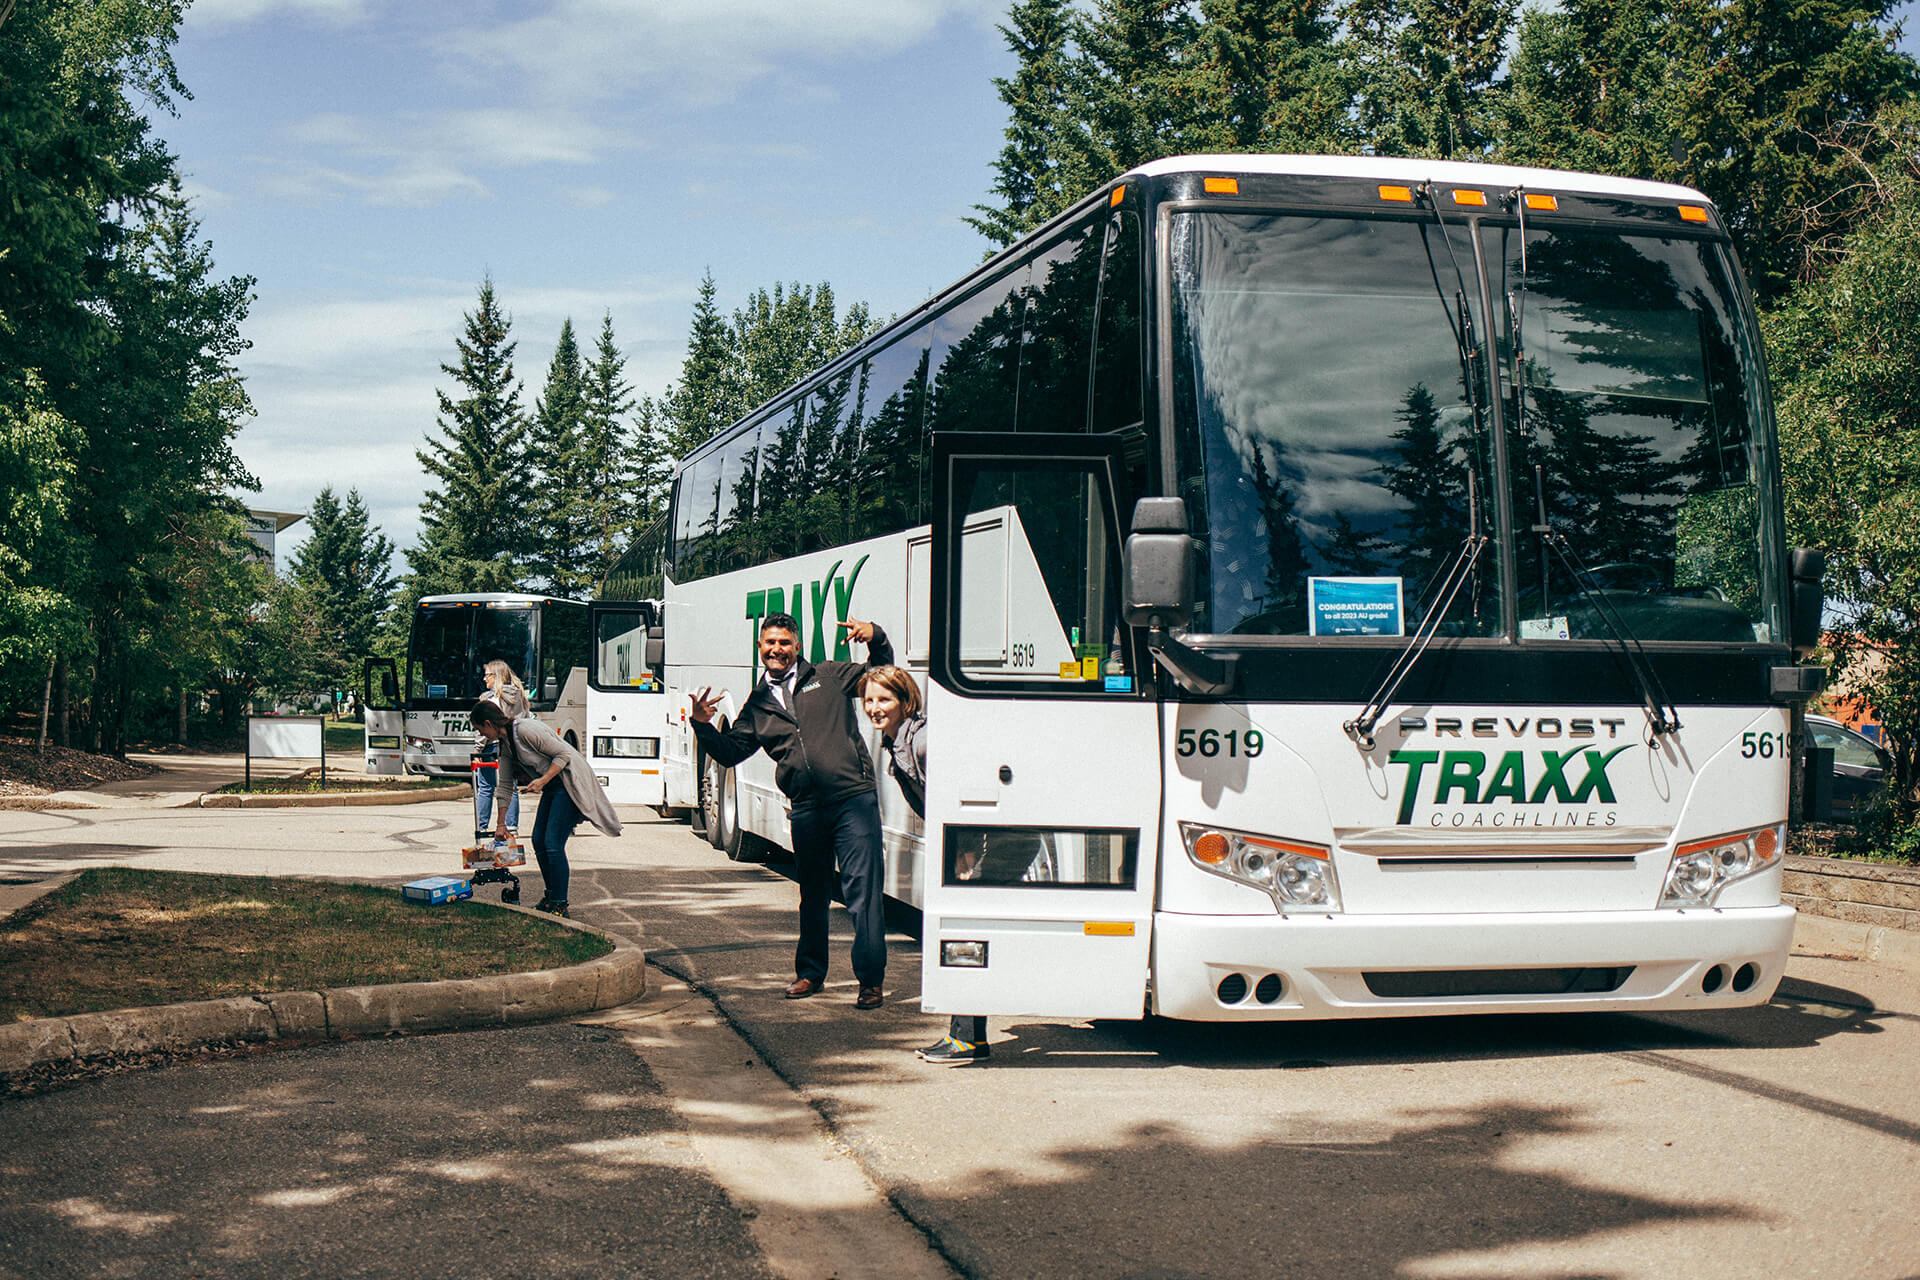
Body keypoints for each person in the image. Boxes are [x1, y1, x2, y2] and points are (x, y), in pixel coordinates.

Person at [691, 612, 892, 1009]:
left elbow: (881, 677)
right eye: (770, 643)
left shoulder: (829, 676)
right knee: (812, 895)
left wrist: (877, 638)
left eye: (785, 643)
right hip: (806, 809)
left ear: (797, 647)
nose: (777, 650)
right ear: (760, 648)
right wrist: (702, 727)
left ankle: (869, 981)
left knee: (862, 894)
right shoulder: (760, 703)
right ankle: (810, 974)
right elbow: (732, 752)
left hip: (853, 800)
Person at [860, 665, 989, 1065]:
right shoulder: (896, 739)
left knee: (965, 937)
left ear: (905, 700)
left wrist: (966, 860)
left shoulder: (924, 741)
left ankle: (967, 1040)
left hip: (980, 844)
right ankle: (968, 1038)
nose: (875, 708)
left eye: (884, 700)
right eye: (869, 700)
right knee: (963, 936)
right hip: (962, 845)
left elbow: (961, 801)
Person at [470, 700, 621, 918]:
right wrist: (500, 824)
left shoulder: (525, 730)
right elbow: (504, 786)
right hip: (552, 787)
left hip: (568, 783)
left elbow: (564, 755)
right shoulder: (505, 745)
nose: (480, 734)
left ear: (488, 723)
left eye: (479, 729)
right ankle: (551, 898)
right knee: (538, 839)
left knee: (552, 843)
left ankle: (560, 903)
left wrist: (542, 780)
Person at [472, 660, 529, 846]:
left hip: (491, 745)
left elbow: (485, 726)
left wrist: (478, 748)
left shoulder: (490, 698)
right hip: (511, 744)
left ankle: (483, 826)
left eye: (487, 674)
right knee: (509, 786)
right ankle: (511, 826)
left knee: (486, 787)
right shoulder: (518, 695)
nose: (484, 678)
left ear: (496, 677)